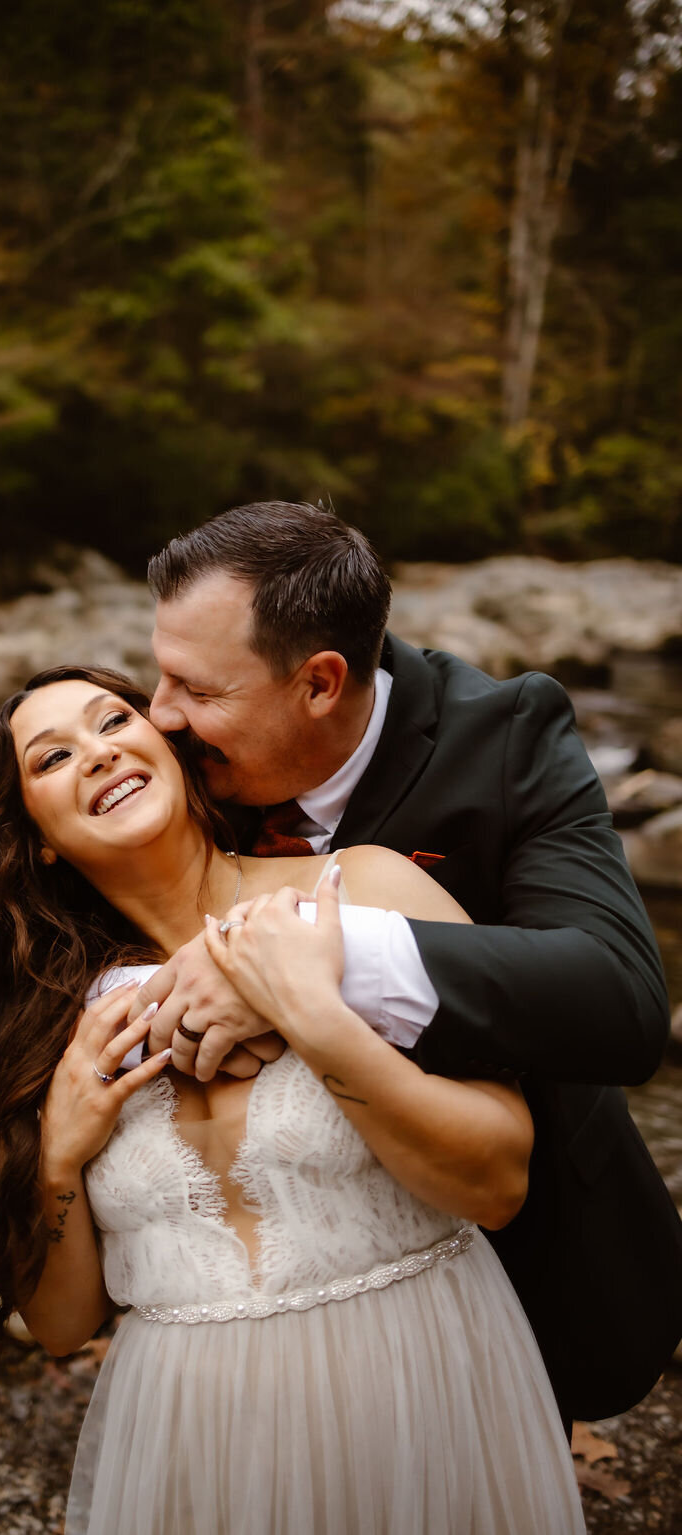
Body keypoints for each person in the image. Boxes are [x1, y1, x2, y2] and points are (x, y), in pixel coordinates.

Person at [0, 664, 586, 1534]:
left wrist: (310, 1013)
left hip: (422, 1382)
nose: (97, 753)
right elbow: (61, 1325)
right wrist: (58, 1152)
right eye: (53, 757)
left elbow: (499, 1180)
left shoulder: (362, 893)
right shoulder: (51, 1023)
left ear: (171, 748)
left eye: (114, 721)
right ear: (36, 836)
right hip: (190, 1437)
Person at [132, 500, 682, 1425]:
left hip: (533, 1243)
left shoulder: (507, 738)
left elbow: (621, 999)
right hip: (287, 1282)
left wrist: (312, 959)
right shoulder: (181, 760)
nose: (160, 713)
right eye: (161, 674)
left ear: (320, 682)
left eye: (197, 688)